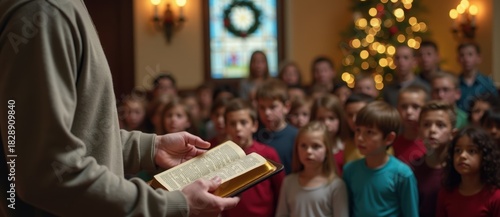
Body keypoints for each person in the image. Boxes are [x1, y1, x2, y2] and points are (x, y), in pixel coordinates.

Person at [0, 1, 239, 216]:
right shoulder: (45, 12)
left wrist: (148, 148)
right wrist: (172, 204)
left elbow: (77, 133)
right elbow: (47, 174)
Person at [343, 101, 419, 217]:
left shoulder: (402, 175)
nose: (360, 138)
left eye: (369, 132)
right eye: (358, 130)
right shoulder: (350, 170)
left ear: (389, 138)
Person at [221, 99, 285, 217]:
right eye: (232, 123)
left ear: (254, 125)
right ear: (226, 127)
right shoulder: (222, 157)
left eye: (243, 122)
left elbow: (280, 190)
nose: (238, 128)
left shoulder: (268, 153)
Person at [276, 121, 348, 217]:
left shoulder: (336, 186)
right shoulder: (288, 182)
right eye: (303, 146)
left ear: (327, 150)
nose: (308, 151)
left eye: (316, 146)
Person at [436, 127, 500, 217]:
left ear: (485, 157)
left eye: (471, 151)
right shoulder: (445, 194)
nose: (462, 156)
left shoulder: (495, 197)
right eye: (458, 150)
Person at [413, 101, 457, 217]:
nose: (432, 130)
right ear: (419, 131)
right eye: (426, 125)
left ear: (453, 133)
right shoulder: (412, 169)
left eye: (440, 125)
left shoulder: (460, 169)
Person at [255, 79, 298, 174]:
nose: (267, 113)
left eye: (272, 107)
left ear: (286, 107)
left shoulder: (296, 136)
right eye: (262, 107)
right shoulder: (255, 135)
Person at [311, 94, 351, 175]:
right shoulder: (309, 148)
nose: (326, 123)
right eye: (320, 119)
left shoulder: (346, 146)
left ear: (340, 119)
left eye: (331, 118)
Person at [455, 42, 498, 113]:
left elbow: (495, 105)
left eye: (470, 54)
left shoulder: (487, 82)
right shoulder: (454, 83)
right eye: (462, 55)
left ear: (479, 58)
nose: (466, 59)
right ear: (458, 59)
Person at [393, 85, 428, 165]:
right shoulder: (392, 143)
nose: (409, 112)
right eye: (404, 107)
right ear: (397, 109)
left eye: (416, 107)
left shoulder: (432, 143)